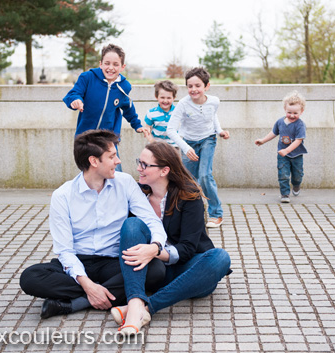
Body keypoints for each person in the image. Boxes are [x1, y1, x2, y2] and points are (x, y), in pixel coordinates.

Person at [19, 130, 167, 319]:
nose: (118, 161)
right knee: (30, 277)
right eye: (112, 156)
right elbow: (64, 250)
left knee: (155, 270)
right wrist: (88, 285)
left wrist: (155, 247)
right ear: (94, 161)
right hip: (79, 261)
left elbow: (151, 220)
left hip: (113, 262)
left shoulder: (125, 183)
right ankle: (103, 294)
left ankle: (75, 304)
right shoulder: (63, 195)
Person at [113, 142, 232, 335]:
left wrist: (155, 251)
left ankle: (145, 309)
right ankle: (136, 302)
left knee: (220, 258)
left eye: (144, 164)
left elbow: (188, 248)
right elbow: (129, 237)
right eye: (138, 162)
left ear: (164, 170)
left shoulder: (189, 196)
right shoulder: (135, 195)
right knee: (132, 225)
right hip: (151, 270)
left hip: (189, 270)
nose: (138, 168)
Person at [62, 44, 144, 172]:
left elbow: (128, 107)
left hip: (108, 139)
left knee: (115, 175)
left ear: (122, 67)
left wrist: (137, 125)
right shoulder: (87, 78)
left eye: (115, 64)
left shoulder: (124, 87)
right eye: (107, 63)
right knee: (91, 175)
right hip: (86, 138)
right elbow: (73, 94)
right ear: (100, 64)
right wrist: (76, 100)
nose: (111, 68)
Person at [166, 67, 229, 228]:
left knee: (205, 176)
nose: (193, 89)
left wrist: (219, 131)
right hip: (188, 142)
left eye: (197, 86)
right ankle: (194, 214)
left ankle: (216, 214)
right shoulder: (183, 104)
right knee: (189, 181)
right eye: (190, 86)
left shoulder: (214, 101)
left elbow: (212, 115)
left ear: (206, 86)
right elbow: (170, 130)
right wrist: (186, 148)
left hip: (208, 139)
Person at [255, 90, 308, 203]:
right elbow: (274, 133)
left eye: (295, 113)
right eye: (289, 112)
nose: (292, 115)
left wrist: (287, 150)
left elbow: (298, 140)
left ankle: (296, 184)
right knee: (283, 174)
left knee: (297, 174)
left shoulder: (300, 125)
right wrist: (263, 140)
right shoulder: (280, 122)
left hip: (296, 154)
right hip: (282, 155)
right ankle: (285, 194)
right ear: (285, 109)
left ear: (301, 111)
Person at [142, 80, 179, 146]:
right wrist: (152, 141)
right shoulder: (151, 113)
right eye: (162, 97)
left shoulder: (178, 111)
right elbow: (147, 129)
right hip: (156, 146)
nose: (165, 101)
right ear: (156, 97)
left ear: (174, 98)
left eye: (169, 98)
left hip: (173, 146)